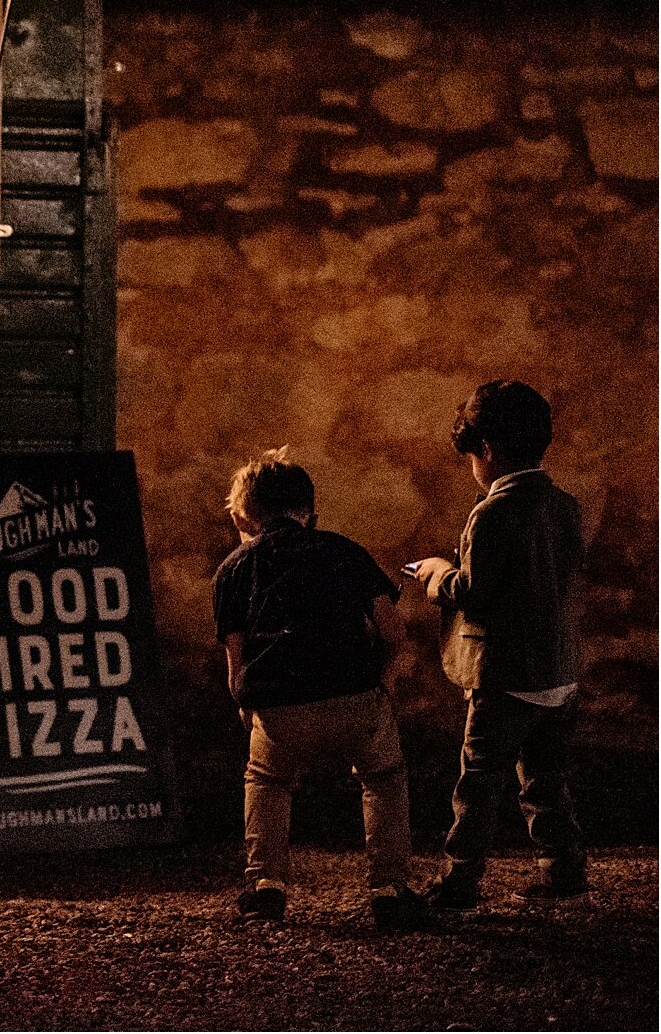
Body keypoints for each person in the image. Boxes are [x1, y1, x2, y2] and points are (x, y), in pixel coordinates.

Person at [210, 450, 427, 933]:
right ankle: (388, 890)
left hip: (278, 706)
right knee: (383, 779)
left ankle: (267, 886)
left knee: (266, 783)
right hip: (354, 696)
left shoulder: (233, 569)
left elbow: (235, 665)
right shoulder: (346, 551)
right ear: (307, 510)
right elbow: (393, 634)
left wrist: (250, 710)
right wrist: (382, 686)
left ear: (245, 515)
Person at [409, 380, 589, 909]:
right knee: (545, 777)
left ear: (485, 450)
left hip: (504, 675)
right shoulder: (566, 506)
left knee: (478, 783)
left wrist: (437, 572)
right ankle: (564, 866)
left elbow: (474, 595)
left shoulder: (491, 513)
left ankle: (460, 878)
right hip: (559, 670)